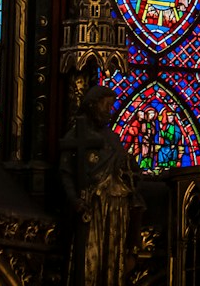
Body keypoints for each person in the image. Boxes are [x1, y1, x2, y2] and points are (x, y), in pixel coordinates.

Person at [58, 85, 145, 286]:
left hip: (117, 208)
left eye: (111, 106)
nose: (108, 110)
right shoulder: (77, 135)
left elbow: (128, 173)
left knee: (112, 263)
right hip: (94, 207)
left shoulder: (113, 139)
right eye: (105, 105)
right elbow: (66, 173)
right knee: (89, 260)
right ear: (91, 105)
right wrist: (74, 200)